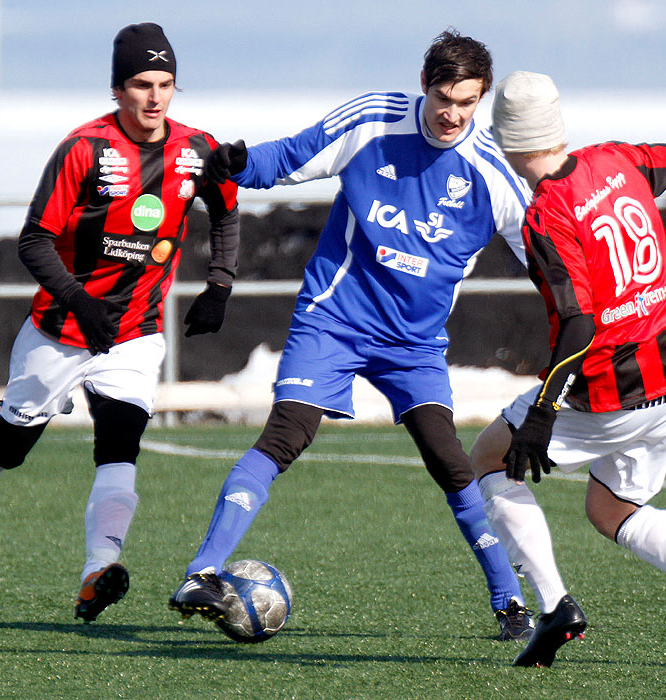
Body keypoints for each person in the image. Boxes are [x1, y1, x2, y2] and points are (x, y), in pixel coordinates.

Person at [169, 29, 535, 641]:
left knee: (448, 459)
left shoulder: (494, 175)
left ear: (483, 100)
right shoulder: (372, 121)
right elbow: (289, 158)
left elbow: (549, 260)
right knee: (286, 434)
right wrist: (236, 162)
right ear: (424, 85)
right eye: (444, 96)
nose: (453, 113)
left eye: (467, 102)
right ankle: (202, 572)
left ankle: (511, 605)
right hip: (334, 318)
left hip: (413, 343)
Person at [0, 23, 241, 624]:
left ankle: (97, 571)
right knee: (10, 446)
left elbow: (225, 210)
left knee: (120, 442)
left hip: (136, 331)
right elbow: (33, 241)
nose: (155, 97)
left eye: (166, 84)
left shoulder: (196, 147)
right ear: (118, 88)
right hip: (60, 330)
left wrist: (219, 284)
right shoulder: (83, 148)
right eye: (142, 84)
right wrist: (79, 299)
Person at [471, 71, 666, 667]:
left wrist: (543, 415)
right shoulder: (614, 159)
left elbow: (579, 324)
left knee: (485, 458)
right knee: (609, 510)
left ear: (507, 141)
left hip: (611, 394)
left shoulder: (546, 214)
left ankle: (553, 606)